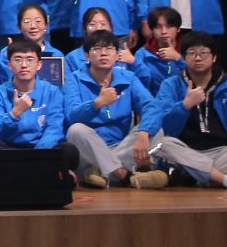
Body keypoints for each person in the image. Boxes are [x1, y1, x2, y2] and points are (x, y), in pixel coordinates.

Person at [147, 31, 227, 191]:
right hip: (185, 150)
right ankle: (226, 180)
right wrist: (185, 105)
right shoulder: (171, 84)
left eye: (203, 53)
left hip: (224, 151)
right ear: (183, 57)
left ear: (214, 57)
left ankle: (192, 175)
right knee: (160, 144)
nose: (198, 58)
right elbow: (167, 127)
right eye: (192, 53)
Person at [60, 30, 164, 189]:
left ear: (117, 55)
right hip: (87, 153)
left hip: (120, 147)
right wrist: (97, 103)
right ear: (87, 56)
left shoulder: (128, 78)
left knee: (155, 130)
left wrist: (144, 132)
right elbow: (71, 116)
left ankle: (102, 173)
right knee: (76, 130)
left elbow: (152, 107)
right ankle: (126, 176)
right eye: (97, 49)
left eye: (108, 49)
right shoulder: (73, 79)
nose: (103, 53)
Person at [0, 38, 74, 170]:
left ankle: (25, 170)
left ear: (39, 65)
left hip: (41, 149)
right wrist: (14, 114)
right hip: (10, 149)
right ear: (9, 65)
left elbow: (54, 128)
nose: (24, 65)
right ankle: (32, 171)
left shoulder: (51, 91)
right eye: (18, 60)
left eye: (30, 60)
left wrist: (37, 154)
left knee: (69, 151)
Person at [132, 5, 187, 93]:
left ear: (178, 29)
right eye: (158, 27)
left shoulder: (188, 50)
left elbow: (196, 78)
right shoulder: (142, 54)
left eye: (169, 26)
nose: (164, 31)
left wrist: (178, 59)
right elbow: (140, 88)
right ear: (152, 30)